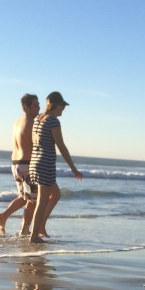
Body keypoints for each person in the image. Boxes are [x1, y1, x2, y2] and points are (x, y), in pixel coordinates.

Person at [29, 91, 83, 243]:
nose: (63, 109)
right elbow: (61, 146)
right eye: (62, 105)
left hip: (35, 163)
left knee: (56, 194)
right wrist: (73, 168)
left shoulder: (38, 118)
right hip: (45, 165)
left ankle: (40, 227)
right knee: (41, 202)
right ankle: (34, 237)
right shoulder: (53, 121)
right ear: (54, 105)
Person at [0, 94, 40, 235]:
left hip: (16, 164)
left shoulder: (17, 122)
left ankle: (4, 216)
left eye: (38, 104)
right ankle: (24, 229)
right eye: (35, 105)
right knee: (33, 199)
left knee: (24, 197)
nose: (38, 107)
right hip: (26, 165)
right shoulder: (32, 121)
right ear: (26, 107)